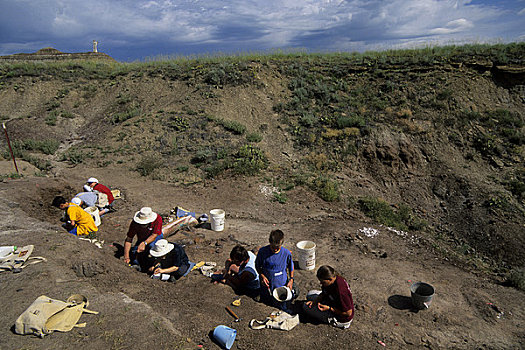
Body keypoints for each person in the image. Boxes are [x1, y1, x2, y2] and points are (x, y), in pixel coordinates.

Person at [255, 229, 297, 307]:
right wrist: (262, 275)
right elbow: (257, 265)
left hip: (282, 286)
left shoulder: (286, 253)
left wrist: (291, 279)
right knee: (268, 303)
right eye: (273, 247)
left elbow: (291, 266)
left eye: (278, 247)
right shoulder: (263, 252)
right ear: (269, 242)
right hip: (267, 287)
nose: (275, 249)